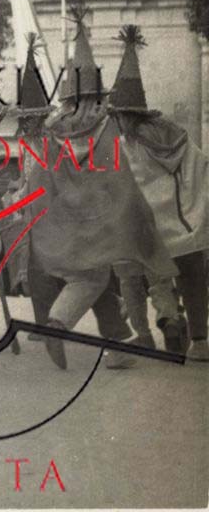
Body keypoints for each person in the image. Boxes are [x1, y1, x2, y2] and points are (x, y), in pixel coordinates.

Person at [25, 11, 176, 370]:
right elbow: (123, 176)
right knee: (100, 278)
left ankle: (114, 343)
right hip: (107, 220)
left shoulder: (53, 134)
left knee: (92, 278)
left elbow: (39, 181)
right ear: (97, 96)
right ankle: (60, 325)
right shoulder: (108, 130)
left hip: (65, 222)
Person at [106, 25, 208, 361]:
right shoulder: (171, 135)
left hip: (146, 229)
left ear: (121, 115)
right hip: (182, 224)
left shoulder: (124, 146)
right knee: (192, 277)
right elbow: (199, 165)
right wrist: (194, 210)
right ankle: (199, 341)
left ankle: (148, 333)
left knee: (132, 277)